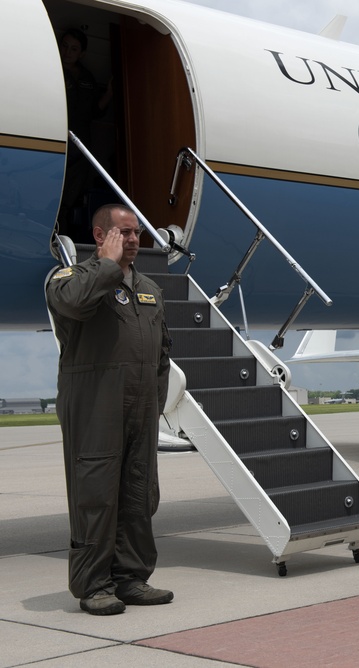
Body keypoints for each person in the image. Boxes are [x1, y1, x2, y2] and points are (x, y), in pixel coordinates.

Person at [46, 204, 173, 615]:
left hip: (141, 408)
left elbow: (162, 354)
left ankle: (132, 579)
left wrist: (156, 402)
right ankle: (93, 585)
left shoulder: (150, 287)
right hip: (95, 406)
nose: (135, 240)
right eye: (125, 233)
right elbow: (76, 304)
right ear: (101, 237)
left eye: (137, 233)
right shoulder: (69, 279)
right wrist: (107, 267)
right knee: (95, 495)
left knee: (138, 493)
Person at [58, 28, 114, 237]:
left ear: (81, 53)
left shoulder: (87, 78)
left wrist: (109, 93)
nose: (68, 52)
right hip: (58, 141)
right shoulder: (51, 69)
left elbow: (95, 112)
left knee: (71, 196)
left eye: (74, 48)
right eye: (65, 46)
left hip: (80, 146)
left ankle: (64, 237)